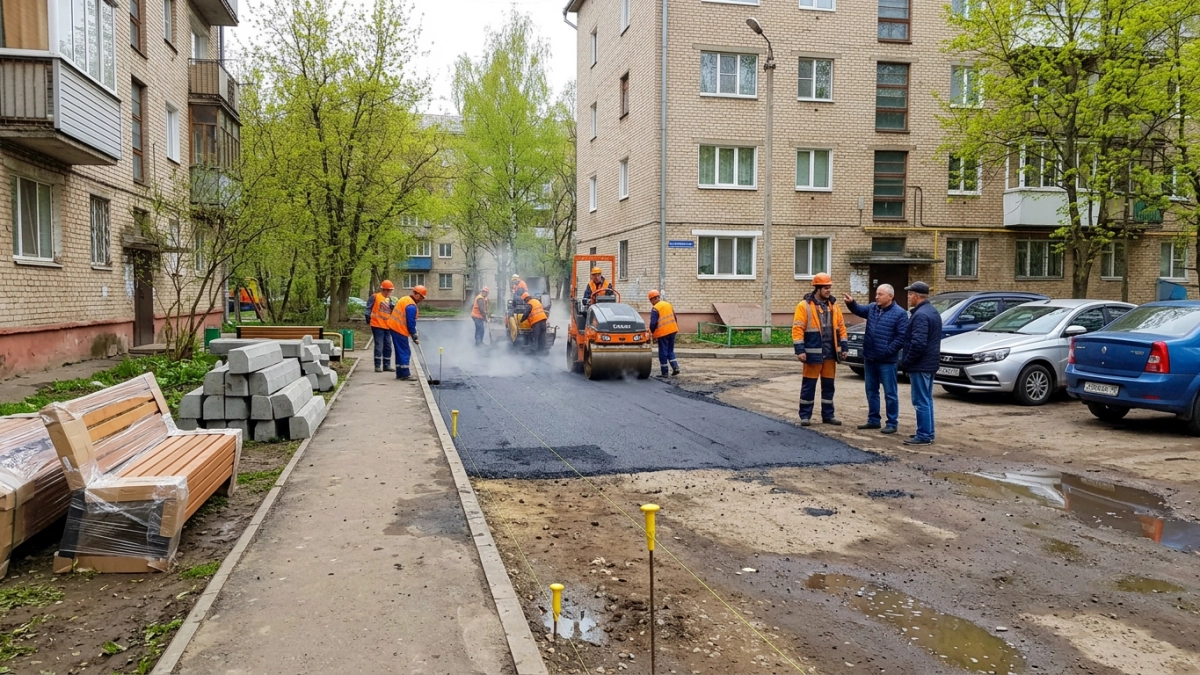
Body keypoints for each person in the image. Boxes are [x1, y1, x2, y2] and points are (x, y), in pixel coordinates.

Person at [844, 284, 908, 434]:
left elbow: (902, 337)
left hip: (887, 360)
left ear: (890, 297)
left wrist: (888, 351)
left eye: (880, 294)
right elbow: (859, 310)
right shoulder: (873, 308)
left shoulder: (899, 313)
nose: (876, 297)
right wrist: (851, 303)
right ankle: (873, 420)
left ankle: (892, 423)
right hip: (870, 357)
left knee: (890, 393)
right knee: (871, 390)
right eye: (876, 294)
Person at [792, 273, 848, 426]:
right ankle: (805, 416)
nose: (828, 290)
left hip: (830, 354)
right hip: (812, 354)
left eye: (829, 287)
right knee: (809, 386)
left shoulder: (834, 306)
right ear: (817, 288)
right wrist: (800, 350)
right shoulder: (804, 306)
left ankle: (828, 415)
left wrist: (844, 347)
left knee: (829, 386)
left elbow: (841, 328)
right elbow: (798, 329)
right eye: (825, 287)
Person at [899, 281, 943, 445]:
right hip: (929, 363)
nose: (908, 297)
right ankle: (927, 432)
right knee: (927, 399)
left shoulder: (921, 315)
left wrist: (907, 362)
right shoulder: (931, 311)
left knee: (920, 400)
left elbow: (918, 344)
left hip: (921, 364)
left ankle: (924, 435)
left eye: (910, 294)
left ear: (917, 296)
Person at [389, 285, 426, 380]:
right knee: (405, 351)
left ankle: (400, 373)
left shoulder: (405, 299)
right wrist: (414, 335)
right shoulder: (411, 306)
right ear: (417, 295)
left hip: (394, 327)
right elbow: (410, 322)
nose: (422, 299)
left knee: (399, 351)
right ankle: (405, 374)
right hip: (399, 329)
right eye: (421, 297)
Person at [648, 290, 680, 377]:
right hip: (673, 330)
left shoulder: (655, 308)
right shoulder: (668, 304)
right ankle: (675, 367)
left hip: (663, 333)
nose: (651, 303)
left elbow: (653, 323)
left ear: (653, 299)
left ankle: (665, 372)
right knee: (670, 350)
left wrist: (653, 333)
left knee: (663, 352)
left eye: (651, 300)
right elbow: (674, 317)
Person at [365, 280, 395, 372]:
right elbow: (368, 309)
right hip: (377, 325)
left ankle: (387, 365)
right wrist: (368, 319)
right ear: (383, 289)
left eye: (390, 291)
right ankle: (377, 365)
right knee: (379, 345)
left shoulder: (389, 300)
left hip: (387, 326)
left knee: (388, 346)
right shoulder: (375, 297)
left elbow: (391, 312)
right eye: (387, 290)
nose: (388, 292)